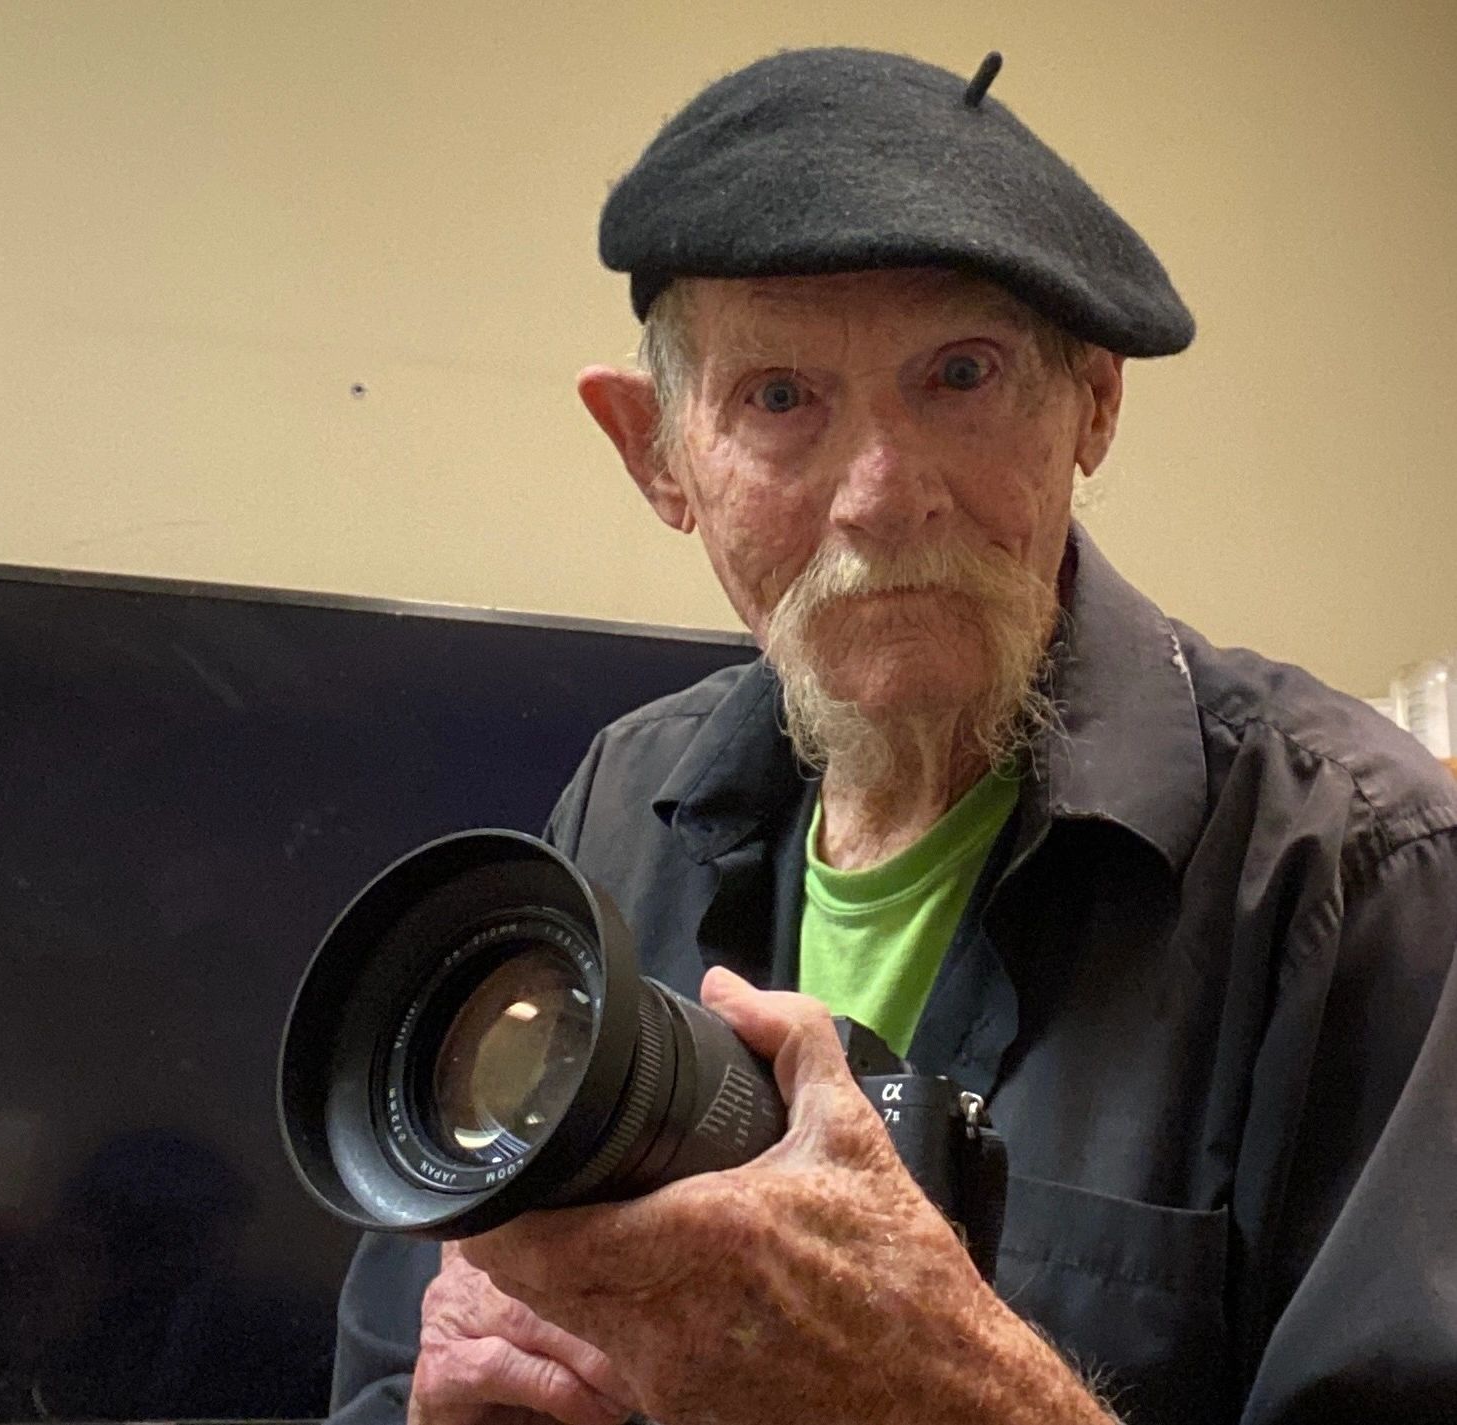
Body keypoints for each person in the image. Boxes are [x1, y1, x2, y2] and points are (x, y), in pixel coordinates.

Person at [328, 47, 1457, 1425]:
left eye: (960, 374)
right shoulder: (619, 804)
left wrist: (957, 1403)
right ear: (656, 455)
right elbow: (397, 1350)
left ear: (1091, 399)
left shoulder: (1367, 878)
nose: (880, 493)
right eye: (778, 398)